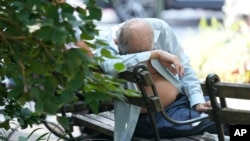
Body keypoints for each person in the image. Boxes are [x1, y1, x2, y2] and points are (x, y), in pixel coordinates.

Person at [95, 18, 221, 141]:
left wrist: (197, 101)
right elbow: (109, 66)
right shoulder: (106, 43)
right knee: (218, 123)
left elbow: (185, 69)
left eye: (148, 51)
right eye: (137, 54)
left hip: (183, 100)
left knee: (224, 113)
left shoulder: (160, 29)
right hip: (153, 118)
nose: (144, 58)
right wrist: (155, 54)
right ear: (116, 42)